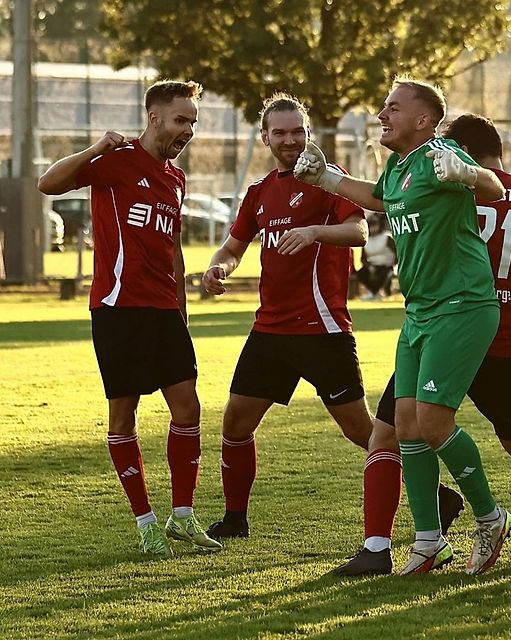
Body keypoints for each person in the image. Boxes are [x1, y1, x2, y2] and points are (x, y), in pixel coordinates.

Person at [349, 114, 511, 571]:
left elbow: (394, 207)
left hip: (446, 326)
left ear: (455, 151)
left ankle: (384, 546)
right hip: (501, 340)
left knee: (391, 434)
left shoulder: (442, 181)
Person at [295, 78, 511, 575]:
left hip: (461, 306)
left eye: (392, 107)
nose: (381, 114)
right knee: (405, 426)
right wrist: (326, 179)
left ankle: (490, 516)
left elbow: (494, 186)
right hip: (418, 312)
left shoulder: (441, 151)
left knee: (433, 422)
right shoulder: (398, 165)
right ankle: (430, 540)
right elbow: (377, 199)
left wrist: (467, 172)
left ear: (422, 120)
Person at [37, 80, 222, 557]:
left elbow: (172, 247)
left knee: (188, 408)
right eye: (181, 120)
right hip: (119, 309)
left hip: (165, 311)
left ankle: (182, 516)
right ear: (154, 115)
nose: (188, 131)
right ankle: (145, 524)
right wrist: (97, 146)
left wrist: (182, 307)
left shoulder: (175, 178)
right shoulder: (115, 162)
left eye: (193, 123)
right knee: (124, 415)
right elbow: (48, 183)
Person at [200, 93, 383, 541]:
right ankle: (236, 519)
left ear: (308, 134)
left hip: (321, 329)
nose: (289, 140)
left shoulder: (328, 179)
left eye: (297, 132)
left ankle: (436, 495)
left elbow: (359, 231)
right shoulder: (259, 193)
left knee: (361, 431)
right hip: (270, 330)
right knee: (236, 422)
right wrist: (219, 266)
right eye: (279, 132)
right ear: (264, 137)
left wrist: (314, 231)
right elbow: (234, 245)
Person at [356, 214, 397, 299]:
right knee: (361, 273)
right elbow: (363, 258)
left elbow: (397, 253)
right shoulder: (366, 240)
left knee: (383, 273)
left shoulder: (387, 238)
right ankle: (373, 292)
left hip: (386, 266)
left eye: (375, 224)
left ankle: (381, 292)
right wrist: (370, 267)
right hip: (372, 266)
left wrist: (393, 264)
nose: (373, 227)